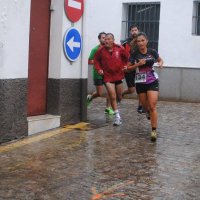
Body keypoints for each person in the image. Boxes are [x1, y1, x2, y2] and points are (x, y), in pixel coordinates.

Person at [123, 32, 164, 141]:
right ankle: (147, 112)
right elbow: (128, 68)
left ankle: (154, 131)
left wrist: (160, 63)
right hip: (140, 82)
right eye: (138, 41)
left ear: (146, 41)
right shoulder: (134, 54)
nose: (140, 43)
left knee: (152, 105)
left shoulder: (152, 52)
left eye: (142, 40)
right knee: (146, 107)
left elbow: (160, 59)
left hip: (152, 81)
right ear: (136, 43)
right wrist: (137, 64)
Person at [94, 33, 128, 126]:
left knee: (119, 96)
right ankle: (117, 117)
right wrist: (99, 69)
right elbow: (96, 61)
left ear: (113, 40)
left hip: (118, 75)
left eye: (109, 39)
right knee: (112, 96)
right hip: (108, 76)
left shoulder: (120, 48)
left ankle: (115, 104)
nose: (106, 41)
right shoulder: (100, 50)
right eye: (105, 39)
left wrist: (125, 65)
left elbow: (127, 58)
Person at [87, 32, 114, 115]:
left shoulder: (110, 49)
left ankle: (108, 108)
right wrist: (99, 64)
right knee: (100, 93)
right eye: (103, 38)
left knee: (110, 91)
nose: (104, 39)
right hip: (98, 73)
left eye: (106, 38)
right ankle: (90, 98)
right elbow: (90, 60)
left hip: (108, 74)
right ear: (99, 39)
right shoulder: (95, 49)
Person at [121, 25, 144, 113]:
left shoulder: (142, 41)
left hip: (140, 67)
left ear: (138, 31)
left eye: (135, 30)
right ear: (130, 32)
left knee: (140, 88)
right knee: (131, 90)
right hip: (129, 67)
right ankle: (122, 93)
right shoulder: (125, 42)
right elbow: (121, 53)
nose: (134, 31)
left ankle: (140, 106)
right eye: (132, 30)